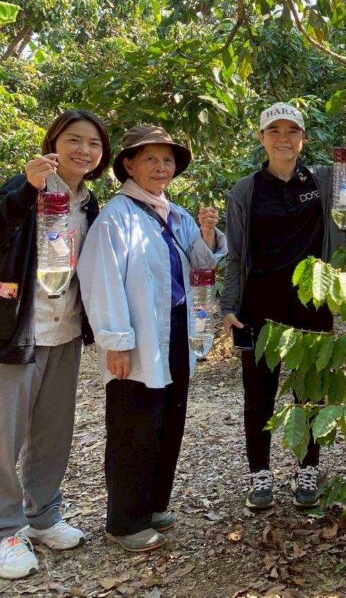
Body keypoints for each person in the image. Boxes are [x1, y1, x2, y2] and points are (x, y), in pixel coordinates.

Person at [221, 97, 346, 511]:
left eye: (292, 131)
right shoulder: (246, 191)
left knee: (310, 393)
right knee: (259, 395)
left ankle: (308, 469)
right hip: (259, 307)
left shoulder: (323, 180)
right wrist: (228, 305)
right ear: (262, 138)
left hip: (312, 305)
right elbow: (235, 254)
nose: (283, 138)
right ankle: (260, 474)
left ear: (303, 138)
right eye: (275, 131)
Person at [79, 125, 224, 553]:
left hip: (176, 331)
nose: (161, 168)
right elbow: (101, 280)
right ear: (128, 165)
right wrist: (116, 341)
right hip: (137, 337)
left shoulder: (174, 214)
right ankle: (125, 521)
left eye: (167, 160)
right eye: (150, 160)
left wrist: (208, 234)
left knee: (168, 420)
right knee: (133, 426)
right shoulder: (117, 217)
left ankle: (154, 504)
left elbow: (203, 264)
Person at [0, 111, 111, 580]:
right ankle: (5, 529)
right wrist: (26, 191)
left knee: (53, 432)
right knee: (5, 437)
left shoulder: (90, 203)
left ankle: (43, 515)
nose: (84, 150)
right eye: (74, 140)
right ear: (53, 143)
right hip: (17, 334)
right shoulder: (22, 187)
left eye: (93, 143)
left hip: (65, 331)